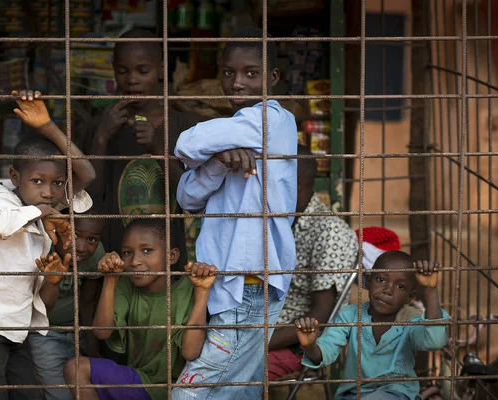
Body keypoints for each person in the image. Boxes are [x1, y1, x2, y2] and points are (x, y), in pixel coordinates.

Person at [170, 27, 297, 399]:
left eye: (251, 73)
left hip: (247, 285)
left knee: (190, 393)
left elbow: (185, 142)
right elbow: (188, 196)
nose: (237, 82)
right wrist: (221, 161)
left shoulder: (271, 119)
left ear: (272, 77)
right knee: (239, 391)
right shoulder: (236, 133)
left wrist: (214, 147)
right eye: (228, 73)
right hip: (232, 284)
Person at [0, 89, 96, 400]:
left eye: (57, 183)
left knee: (29, 394)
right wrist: (46, 213)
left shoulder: (46, 219)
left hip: (15, 329)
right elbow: (2, 223)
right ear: (15, 176)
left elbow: (87, 172)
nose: (49, 192)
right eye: (37, 181)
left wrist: (47, 127)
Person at [64, 219, 216, 400]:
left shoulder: (187, 288)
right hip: (139, 382)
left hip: (182, 389)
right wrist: (110, 279)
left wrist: (202, 292)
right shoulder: (127, 285)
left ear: (172, 256)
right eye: (127, 253)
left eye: (147, 250)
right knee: (76, 369)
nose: (135, 261)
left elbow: (190, 352)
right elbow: (101, 332)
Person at [87, 28, 200, 267]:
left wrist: (157, 147)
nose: (132, 79)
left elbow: (194, 196)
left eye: (143, 70)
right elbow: (89, 197)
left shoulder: (186, 126)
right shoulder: (101, 126)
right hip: (116, 258)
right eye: (122, 71)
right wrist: (101, 138)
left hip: (172, 260)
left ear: (161, 70)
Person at [296, 252, 450, 400]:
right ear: (368, 281)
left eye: (400, 287)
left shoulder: (411, 319)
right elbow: (326, 350)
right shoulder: (349, 315)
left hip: (398, 393)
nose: (388, 290)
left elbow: (434, 341)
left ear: (410, 297)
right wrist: (310, 345)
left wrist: (430, 290)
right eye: (381, 280)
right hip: (352, 394)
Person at [267, 146, 358, 380]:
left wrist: (256, 341)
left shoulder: (330, 232)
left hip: (297, 343)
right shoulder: (281, 220)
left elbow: (320, 313)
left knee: (226, 373)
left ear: (294, 184)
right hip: (260, 328)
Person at [27, 208, 105, 400]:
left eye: (92, 240)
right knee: (60, 395)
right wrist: (53, 281)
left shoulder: (94, 256)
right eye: (74, 235)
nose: (81, 247)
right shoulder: (43, 251)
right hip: (45, 333)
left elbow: (87, 301)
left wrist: (92, 347)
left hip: (78, 330)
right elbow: (42, 309)